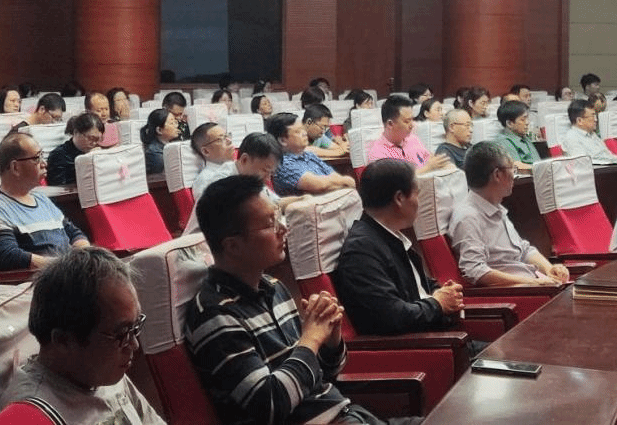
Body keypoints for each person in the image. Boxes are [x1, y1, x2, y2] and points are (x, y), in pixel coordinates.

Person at [185, 175, 416, 425]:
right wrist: (311, 338)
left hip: (348, 414)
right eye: (270, 223)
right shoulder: (215, 314)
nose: (283, 228)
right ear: (232, 246)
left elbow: (322, 375)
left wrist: (330, 339)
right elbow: (271, 404)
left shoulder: (274, 287)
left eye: (278, 217)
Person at [0, 247, 166, 424]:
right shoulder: (30, 415)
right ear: (63, 341)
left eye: (135, 327)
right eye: (122, 333)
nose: (134, 344)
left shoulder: (102, 372)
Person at [333, 159, 466, 335]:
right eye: (417, 194)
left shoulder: (388, 235)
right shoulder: (360, 250)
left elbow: (416, 285)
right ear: (399, 198)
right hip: (421, 345)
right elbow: (391, 316)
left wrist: (442, 291)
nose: (419, 202)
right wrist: (437, 304)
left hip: (434, 333)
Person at [449, 142, 568, 286]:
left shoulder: (495, 207)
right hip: (517, 292)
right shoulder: (468, 217)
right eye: (513, 169)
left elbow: (523, 250)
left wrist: (550, 269)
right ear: (497, 175)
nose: (514, 175)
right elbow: (475, 271)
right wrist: (532, 283)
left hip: (533, 284)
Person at [0, 133, 89, 271]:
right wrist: (63, 266)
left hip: (69, 271)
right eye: (37, 158)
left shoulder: (41, 199)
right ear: (15, 167)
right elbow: (7, 256)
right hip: (46, 277)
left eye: (42, 156)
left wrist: (86, 256)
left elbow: (73, 233)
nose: (44, 164)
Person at [185, 132, 298, 233]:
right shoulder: (223, 181)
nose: (268, 179)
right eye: (265, 170)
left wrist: (303, 199)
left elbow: (276, 202)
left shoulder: (249, 178)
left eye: (271, 173)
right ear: (244, 159)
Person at [266, 113, 355, 196]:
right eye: (298, 131)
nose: (305, 133)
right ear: (283, 140)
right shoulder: (283, 164)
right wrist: (344, 182)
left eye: (303, 129)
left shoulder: (309, 155)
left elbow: (335, 176)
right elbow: (320, 186)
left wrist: (343, 182)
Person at [365, 95, 450, 173]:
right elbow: (398, 182)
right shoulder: (378, 154)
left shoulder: (413, 139)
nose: (412, 125)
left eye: (412, 119)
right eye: (407, 121)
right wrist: (428, 168)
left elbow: (430, 159)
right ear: (390, 124)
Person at [46, 113, 104, 186]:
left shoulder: (98, 153)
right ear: (76, 132)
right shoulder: (58, 155)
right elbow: (58, 187)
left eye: (98, 139)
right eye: (91, 138)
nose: (94, 143)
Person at [560, 99, 617, 164]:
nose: (596, 119)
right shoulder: (571, 138)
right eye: (592, 116)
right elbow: (583, 163)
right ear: (580, 121)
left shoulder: (592, 135)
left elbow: (608, 156)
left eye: (595, 116)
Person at [493, 99, 540, 171]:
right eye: (523, 119)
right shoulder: (504, 141)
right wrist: (541, 169)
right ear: (509, 123)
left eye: (527, 118)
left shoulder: (524, 137)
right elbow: (516, 166)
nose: (527, 123)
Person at [191, 121, 236, 194]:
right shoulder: (205, 180)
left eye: (227, 136)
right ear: (206, 151)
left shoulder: (239, 167)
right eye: (221, 139)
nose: (229, 141)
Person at [139, 108, 179, 174]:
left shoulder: (171, 144)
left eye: (175, 122)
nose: (176, 126)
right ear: (159, 130)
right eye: (172, 123)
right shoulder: (154, 154)